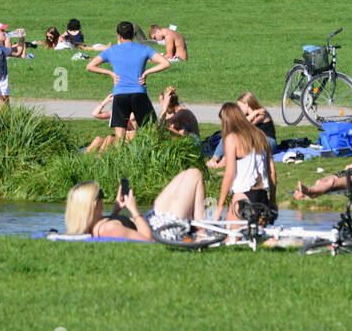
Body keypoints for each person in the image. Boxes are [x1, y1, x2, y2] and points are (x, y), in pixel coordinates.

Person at [64, 170, 208, 242]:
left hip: (153, 221)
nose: (103, 198)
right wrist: (133, 210)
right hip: (162, 231)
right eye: (100, 194)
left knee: (185, 174)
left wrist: (117, 209)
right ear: (94, 204)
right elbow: (147, 240)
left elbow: (121, 226)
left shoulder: (96, 224)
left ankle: (200, 227)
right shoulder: (108, 228)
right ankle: (203, 234)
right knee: (194, 174)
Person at [86, 21, 170, 142]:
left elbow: (90, 66)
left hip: (120, 94)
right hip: (139, 93)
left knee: (120, 135)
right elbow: (166, 63)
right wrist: (146, 73)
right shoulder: (144, 49)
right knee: (150, 132)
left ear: (118, 35)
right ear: (133, 34)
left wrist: (110, 73)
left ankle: (120, 157)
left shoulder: (111, 51)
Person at [214, 101, 277, 222]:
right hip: (262, 196)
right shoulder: (261, 136)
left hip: (243, 195)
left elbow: (229, 174)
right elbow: (272, 172)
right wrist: (272, 201)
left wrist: (219, 207)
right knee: (257, 239)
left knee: (230, 238)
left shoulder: (232, 138)